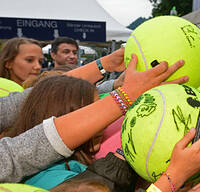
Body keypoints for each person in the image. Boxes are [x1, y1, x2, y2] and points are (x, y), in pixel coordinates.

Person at [0, 48, 189, 182]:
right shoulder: (53, 179)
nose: (102, 124)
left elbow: (24, 102)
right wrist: (170, 181)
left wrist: (107, 70)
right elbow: (11, 157)